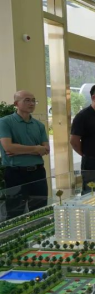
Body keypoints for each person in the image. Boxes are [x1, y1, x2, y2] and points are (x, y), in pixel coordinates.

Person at [0, 91, 49, 219]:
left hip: (38, 173)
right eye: (27, 100)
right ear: (16, 103)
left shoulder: (39, 125)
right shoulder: (5, 122)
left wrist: (18, 149)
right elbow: (8, 147)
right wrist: (36, 149)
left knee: (40, 211)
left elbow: (46, 149)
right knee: (15, 212)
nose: (31, 103)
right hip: (16, 174)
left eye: (33, 100)